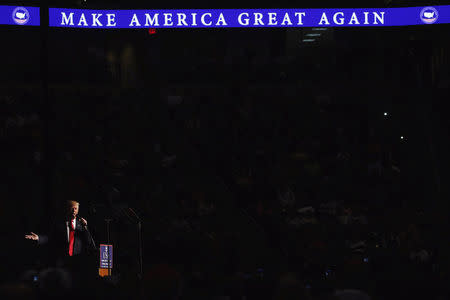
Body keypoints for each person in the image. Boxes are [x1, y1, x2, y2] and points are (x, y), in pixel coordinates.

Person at [25, 200, 95, 263]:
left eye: (76, 208)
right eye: (72, 208)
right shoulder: (58, 223)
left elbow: (88, 241)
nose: (74, 210)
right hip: (62, 260)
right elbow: (50, 238)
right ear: (67, 209)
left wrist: (85, 227)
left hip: (77, 260)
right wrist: (38, 238)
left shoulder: (81, 224)